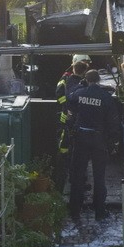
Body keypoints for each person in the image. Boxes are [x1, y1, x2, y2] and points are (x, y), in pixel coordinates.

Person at [67, 69, 120, 224]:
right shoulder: (106, 97)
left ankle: (75, 210)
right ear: (98, 81)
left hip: (81, 137)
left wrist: (79, 86)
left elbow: (69, 96)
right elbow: (113, 120)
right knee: (99, 176)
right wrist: (113, 140)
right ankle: (100, 211)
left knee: (78, 175)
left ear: (86, 80)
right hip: (99, 139)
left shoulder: (80, 93)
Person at [53, 57, 90, 192]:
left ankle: (75, 178)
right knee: (67, 149)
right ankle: (66, 179)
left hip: (73, 120)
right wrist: (66, 106)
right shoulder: (69, 80)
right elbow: (59, 94)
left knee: (74, 150)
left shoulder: (73, 80)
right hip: (70, 120)